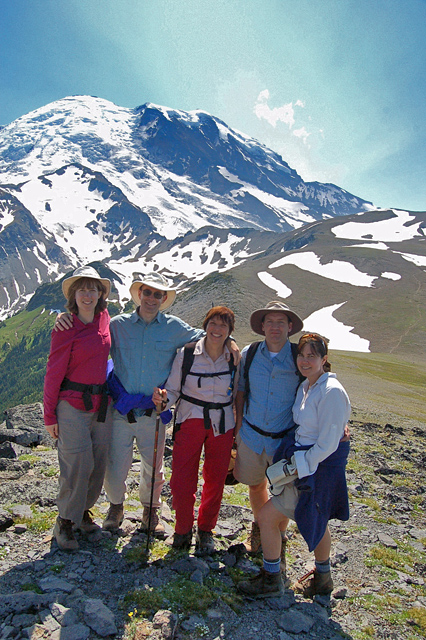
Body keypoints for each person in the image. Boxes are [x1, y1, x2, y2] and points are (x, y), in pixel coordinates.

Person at [55, 272, 240, 536]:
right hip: (121, 409)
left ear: (163, 298)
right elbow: (90, 325)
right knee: (115, 464)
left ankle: (150, 510)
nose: (152, 298)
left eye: (157, 294)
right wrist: (64, 317)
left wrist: (230, 339)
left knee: (153, 466)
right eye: (147, 292)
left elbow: (208, 334)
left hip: (153, 412)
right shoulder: (117, 324)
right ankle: (115, 506)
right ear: (139, 294)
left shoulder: (175, 327)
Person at [238, 332, 351, 598]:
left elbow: (326, 445)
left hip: (315, 469)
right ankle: (322, 578)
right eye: (301, 354)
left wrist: (295, 467)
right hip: (305, 466)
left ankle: (272, 579)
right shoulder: (306, 387)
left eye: (312, 355)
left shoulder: (332, 392)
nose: (305, 360)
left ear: (324, 359)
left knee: (269, 517)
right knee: (315, 517)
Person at [153, 306, 238, 554]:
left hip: (223, 424)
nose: (217, 329)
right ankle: (182, 529)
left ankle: (205, 530)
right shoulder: (187, 354)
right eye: (213, 323)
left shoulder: (234, 358)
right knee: (181, 479)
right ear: (205, 325)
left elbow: (238, 392)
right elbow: (175, 389)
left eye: (223, 326)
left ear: (230, 331)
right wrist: (164, 400)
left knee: (215, 479)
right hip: (190, 419)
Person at [43, 266, 113, 551]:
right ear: (74, 295)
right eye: (82, 289)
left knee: (97, 462)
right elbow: (53, 372)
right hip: (71, 405)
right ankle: (65, 522)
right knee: (76, 464)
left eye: (93, 289)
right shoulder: (65, 327)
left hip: (100, 404)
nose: (88, 294)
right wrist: (49, 415)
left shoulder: (105, 319)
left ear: (100, 294)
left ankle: (83, 512)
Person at [233, 301, 304, 566]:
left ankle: (278, 532)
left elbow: (320, 384)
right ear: (262, 326)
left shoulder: (300, 357)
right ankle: (260, 525)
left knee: (283, 490)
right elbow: (240, 391)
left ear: (290, 327)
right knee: (255, 484)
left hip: (284, 439)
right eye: (270, 322)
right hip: (251, 435)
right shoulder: (250, 353)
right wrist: (238, 429)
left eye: (281, 322)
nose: (275, 327)